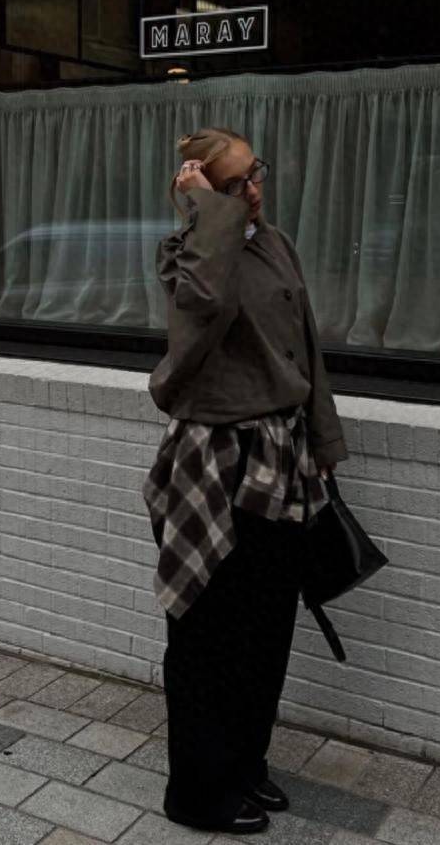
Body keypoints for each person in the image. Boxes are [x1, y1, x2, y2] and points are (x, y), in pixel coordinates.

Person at [142, 127, 348, 835]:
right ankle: (197, 791)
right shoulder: (185, 254)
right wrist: (208, 213)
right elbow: (202, 306)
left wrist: (323, 439)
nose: (253, 191)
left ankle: (244, 762)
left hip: (281, 458)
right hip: (214, 462)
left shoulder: (277, 244)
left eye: (254, 174)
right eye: (233, 184)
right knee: (207, 633)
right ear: (201, 190)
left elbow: (307, 345)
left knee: (267, 625)